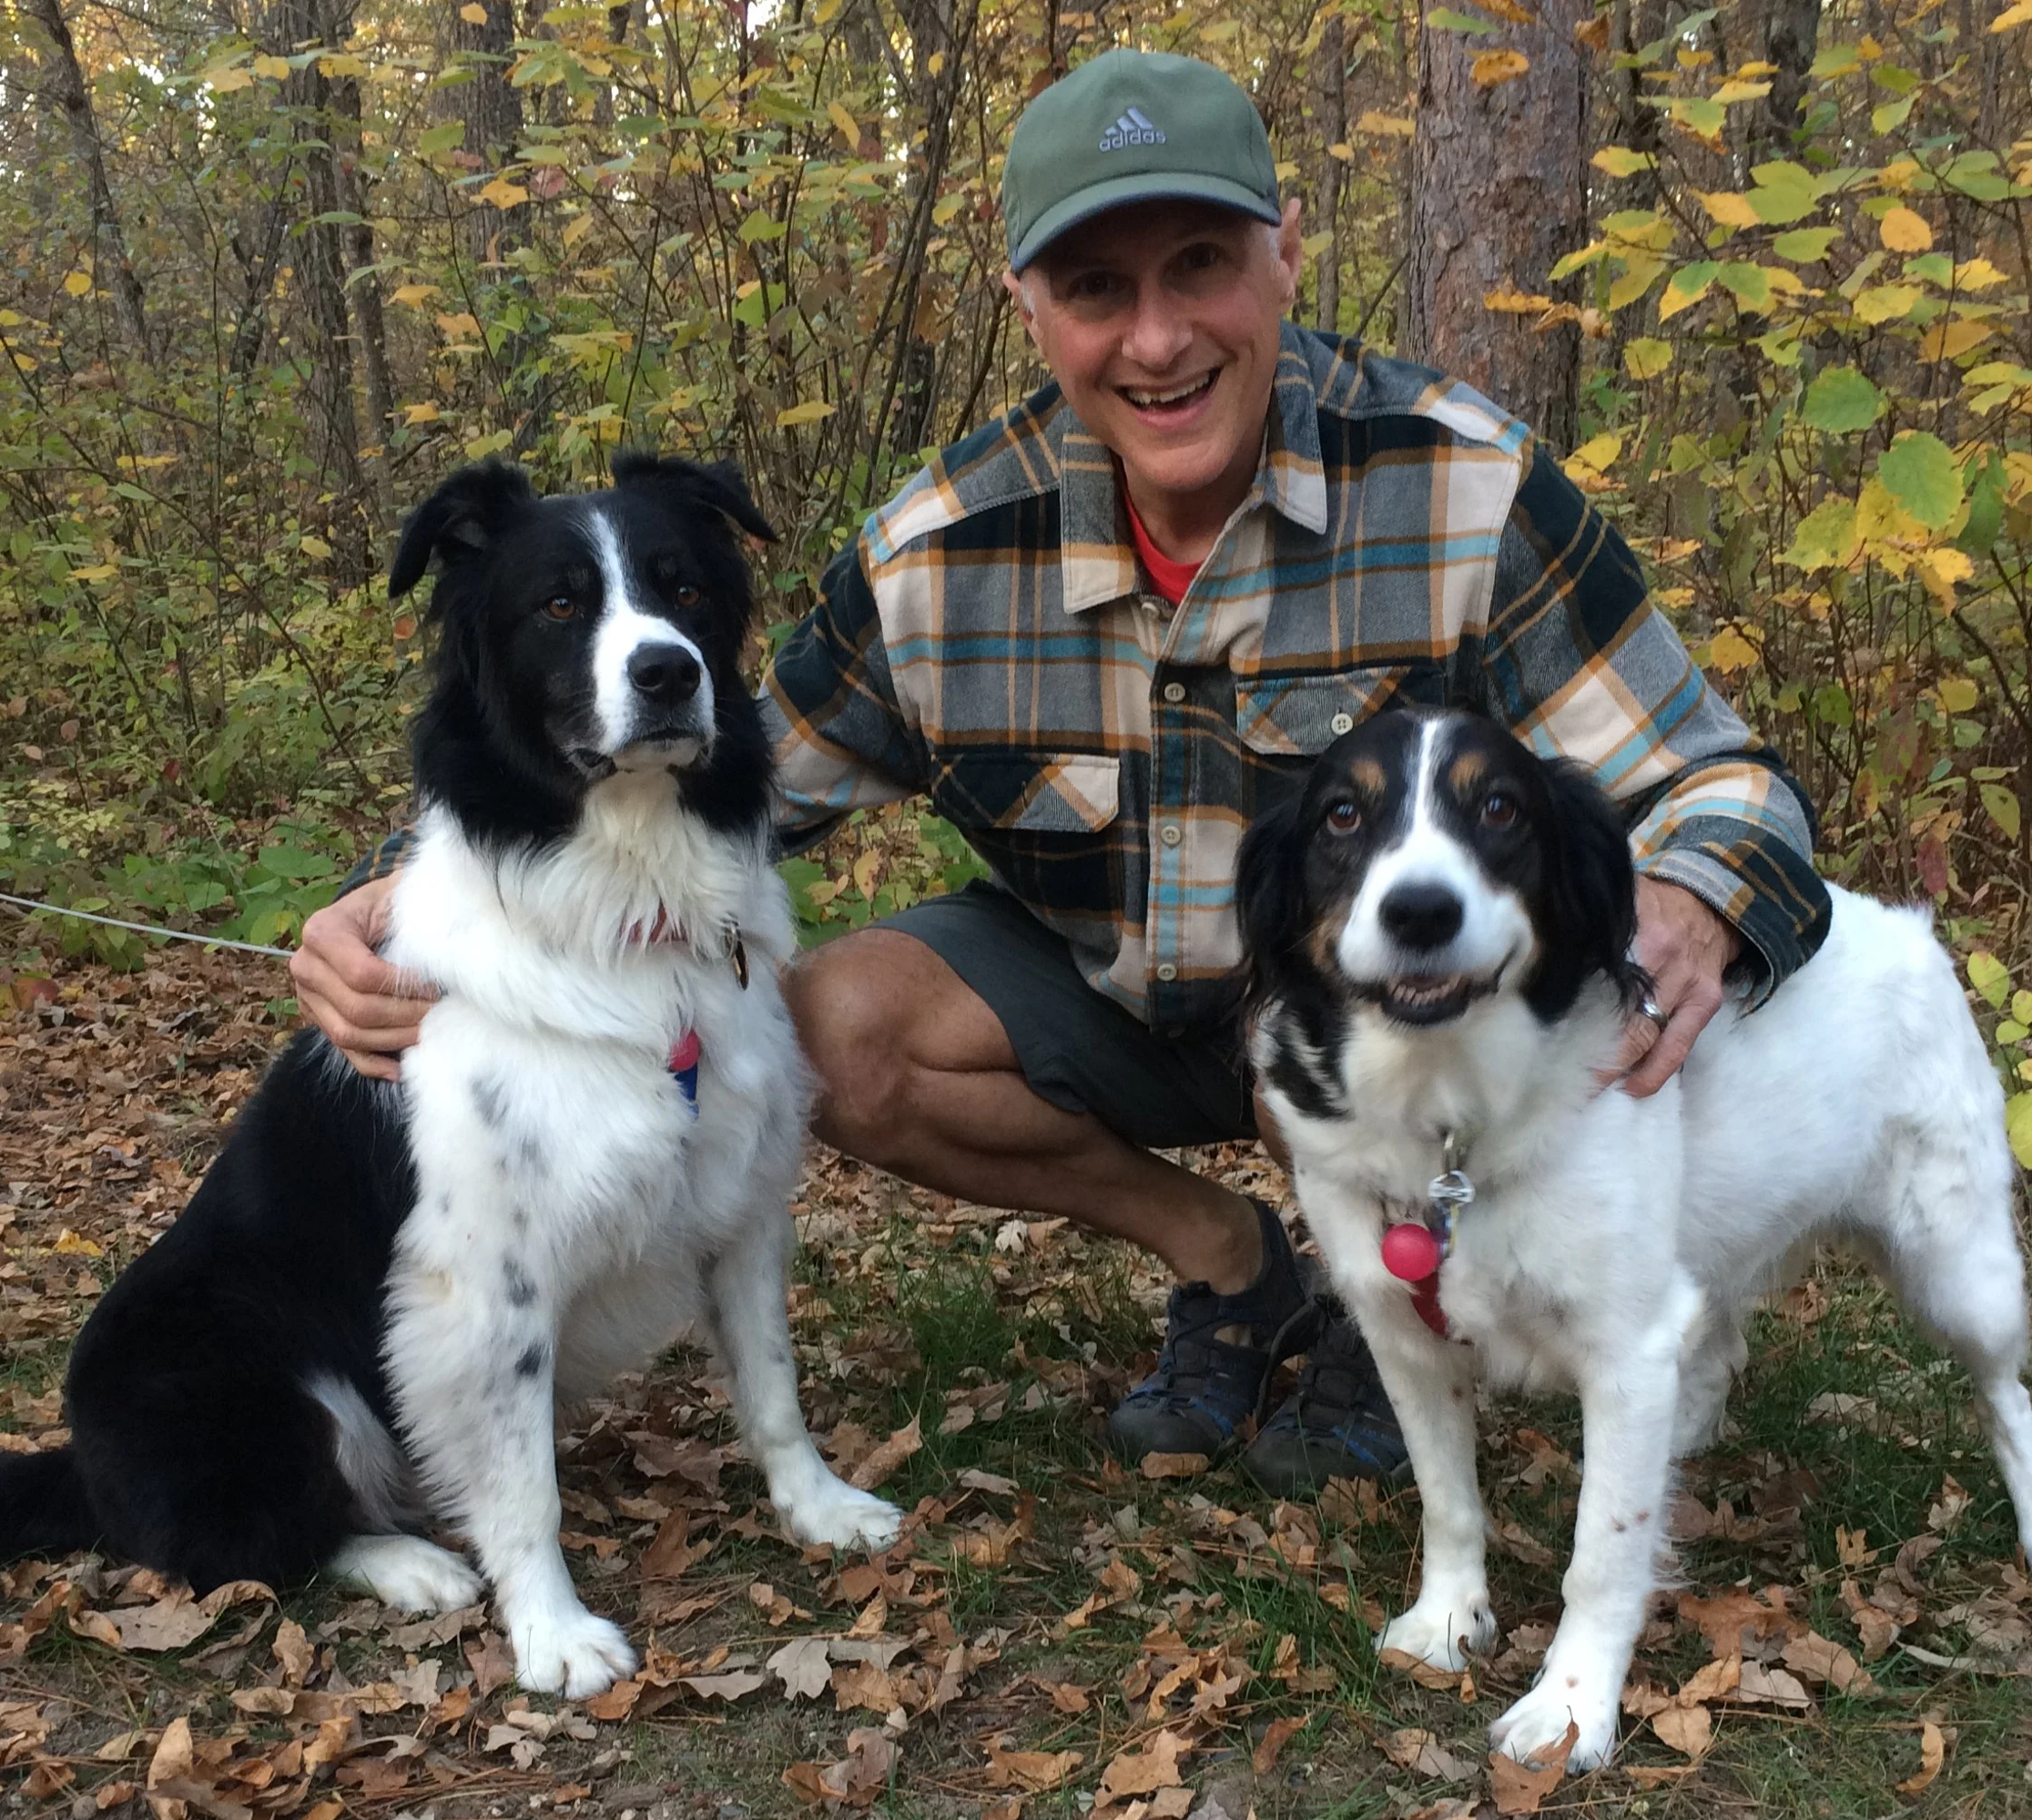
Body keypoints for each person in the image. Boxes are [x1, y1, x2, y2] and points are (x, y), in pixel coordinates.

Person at [292, 47, 1830, 1496]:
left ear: (1286, 253)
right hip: (1114, 1008)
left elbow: (1723, 779)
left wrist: (1695, 894)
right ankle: (1229, 1259)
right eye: (1098, 288)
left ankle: (1402, 1309)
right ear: (1029, 304)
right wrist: (400, 904)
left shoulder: (1461, 483)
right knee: (834, 1021)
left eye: (1200, 269)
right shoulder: (934, 554)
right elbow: (702, 780)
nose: (1156, 339)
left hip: (1388, 1024)